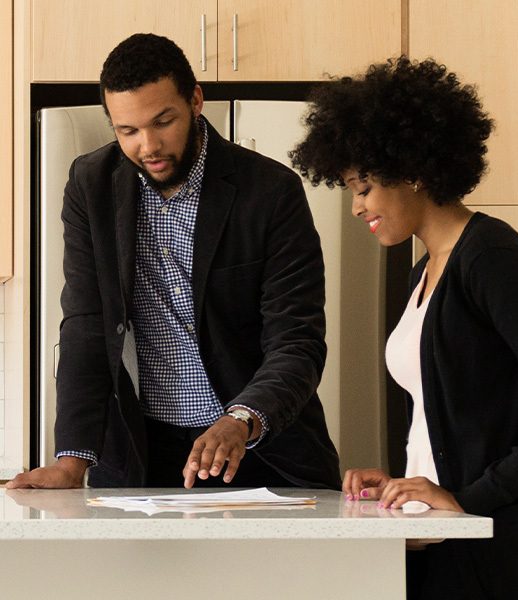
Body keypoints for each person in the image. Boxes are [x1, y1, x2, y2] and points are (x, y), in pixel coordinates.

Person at [289, 56, 518, 600]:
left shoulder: (493, 259)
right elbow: (453, 419)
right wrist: (400, 483)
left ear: (410, 168)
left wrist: (469, 500)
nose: (358, 206)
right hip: (439, 536)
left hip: (501, 550)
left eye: (363, 186)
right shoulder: (423, 273)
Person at [8, 33, 340, 491]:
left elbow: (297, 340)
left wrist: (239, 419)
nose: (148, 146)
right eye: (128, 131)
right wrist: (71, 461)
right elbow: (86, 325)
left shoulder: (270, 191)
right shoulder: (91, 185)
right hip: (143, 454)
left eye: (163, 121)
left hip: (260, 447)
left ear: (196, 101)